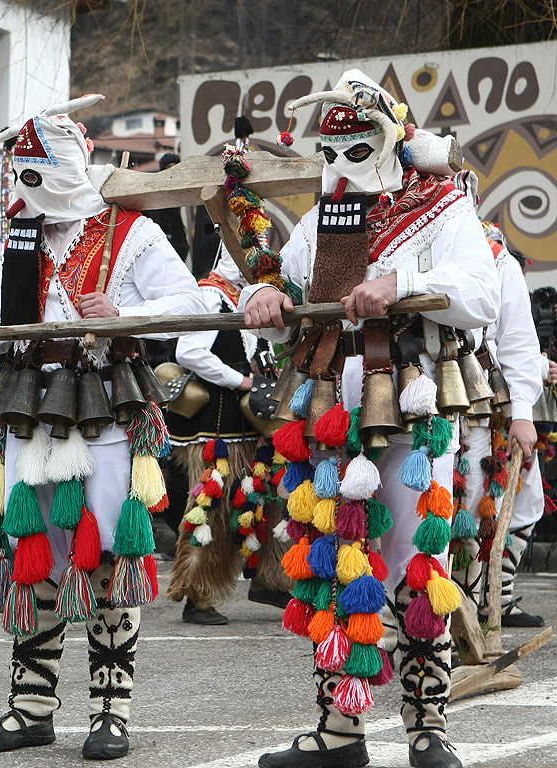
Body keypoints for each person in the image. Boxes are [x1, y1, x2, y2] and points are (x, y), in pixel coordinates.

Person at [240, 70, 499, 768]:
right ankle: (338, 731)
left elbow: (482, 295)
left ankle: (428, 730)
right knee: (333, 552)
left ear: (392, 142)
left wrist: (403, 284)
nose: (342, 168)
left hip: (411, 405)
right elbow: (282, 283)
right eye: (331, 153)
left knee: (420, 560)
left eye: (358, 150)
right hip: (332, 406)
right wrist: (262, 299)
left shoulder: (442, 204)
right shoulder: (326, 218)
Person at [0, 94, 205, 760]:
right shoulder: (14, 231)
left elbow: (194, 306)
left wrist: (123, 312)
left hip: (106, 406)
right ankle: (30, 708)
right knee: (31, 553)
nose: (22, 189)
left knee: (108, 559)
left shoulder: (134, 231)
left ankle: (110, 713)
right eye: (19, 176)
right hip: (27, 404)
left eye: (33, 175)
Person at [165, 248, 291, 625]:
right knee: (212, 507)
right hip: (216, 426)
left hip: (252, 421)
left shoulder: (253, 297)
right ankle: (196, 593)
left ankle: (271, 581)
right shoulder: (211, 295)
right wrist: (242, 380)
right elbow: (188, 352)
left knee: (264, 497)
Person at [449, 201, 547, 628]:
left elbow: (517, 339)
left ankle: (489, 603)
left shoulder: (495, 255)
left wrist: (522, 412)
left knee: (503, 505)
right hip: (412, 403)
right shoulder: (400, 244)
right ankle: (438, 618)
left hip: (483, 407)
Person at [143, 153, 190, 260]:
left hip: (178, 238)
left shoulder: (180, 187)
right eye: (169, 167)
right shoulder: (155, 190)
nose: (173, 171)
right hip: (160, 238)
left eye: (175, 167)